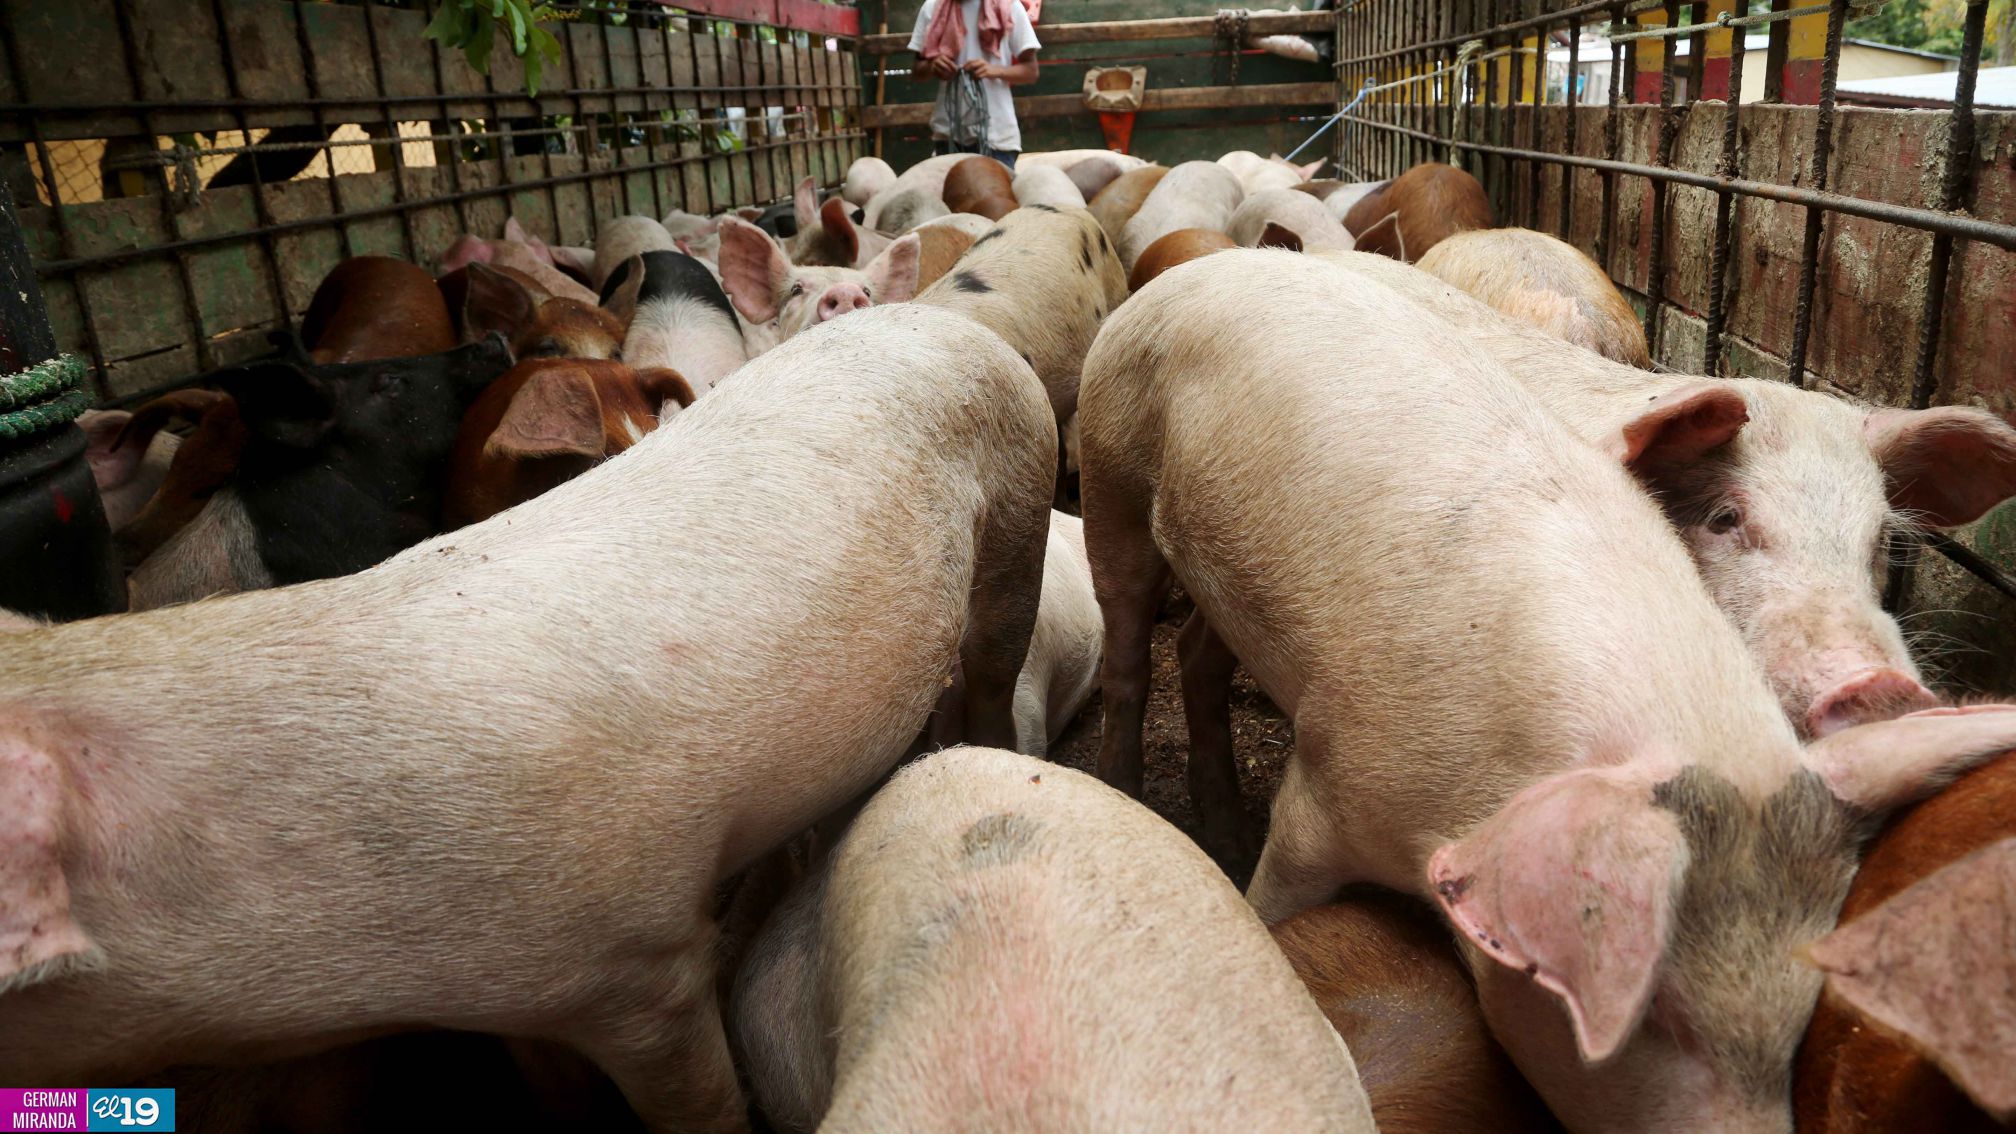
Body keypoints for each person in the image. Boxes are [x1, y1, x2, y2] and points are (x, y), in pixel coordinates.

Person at [907, 0, 1040, 169]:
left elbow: (1031, 71)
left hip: (996, 138)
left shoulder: (1009, 5)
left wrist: (994, 70)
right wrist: (933, 66)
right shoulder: (932, 7)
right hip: (948, 136)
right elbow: (918, 72)